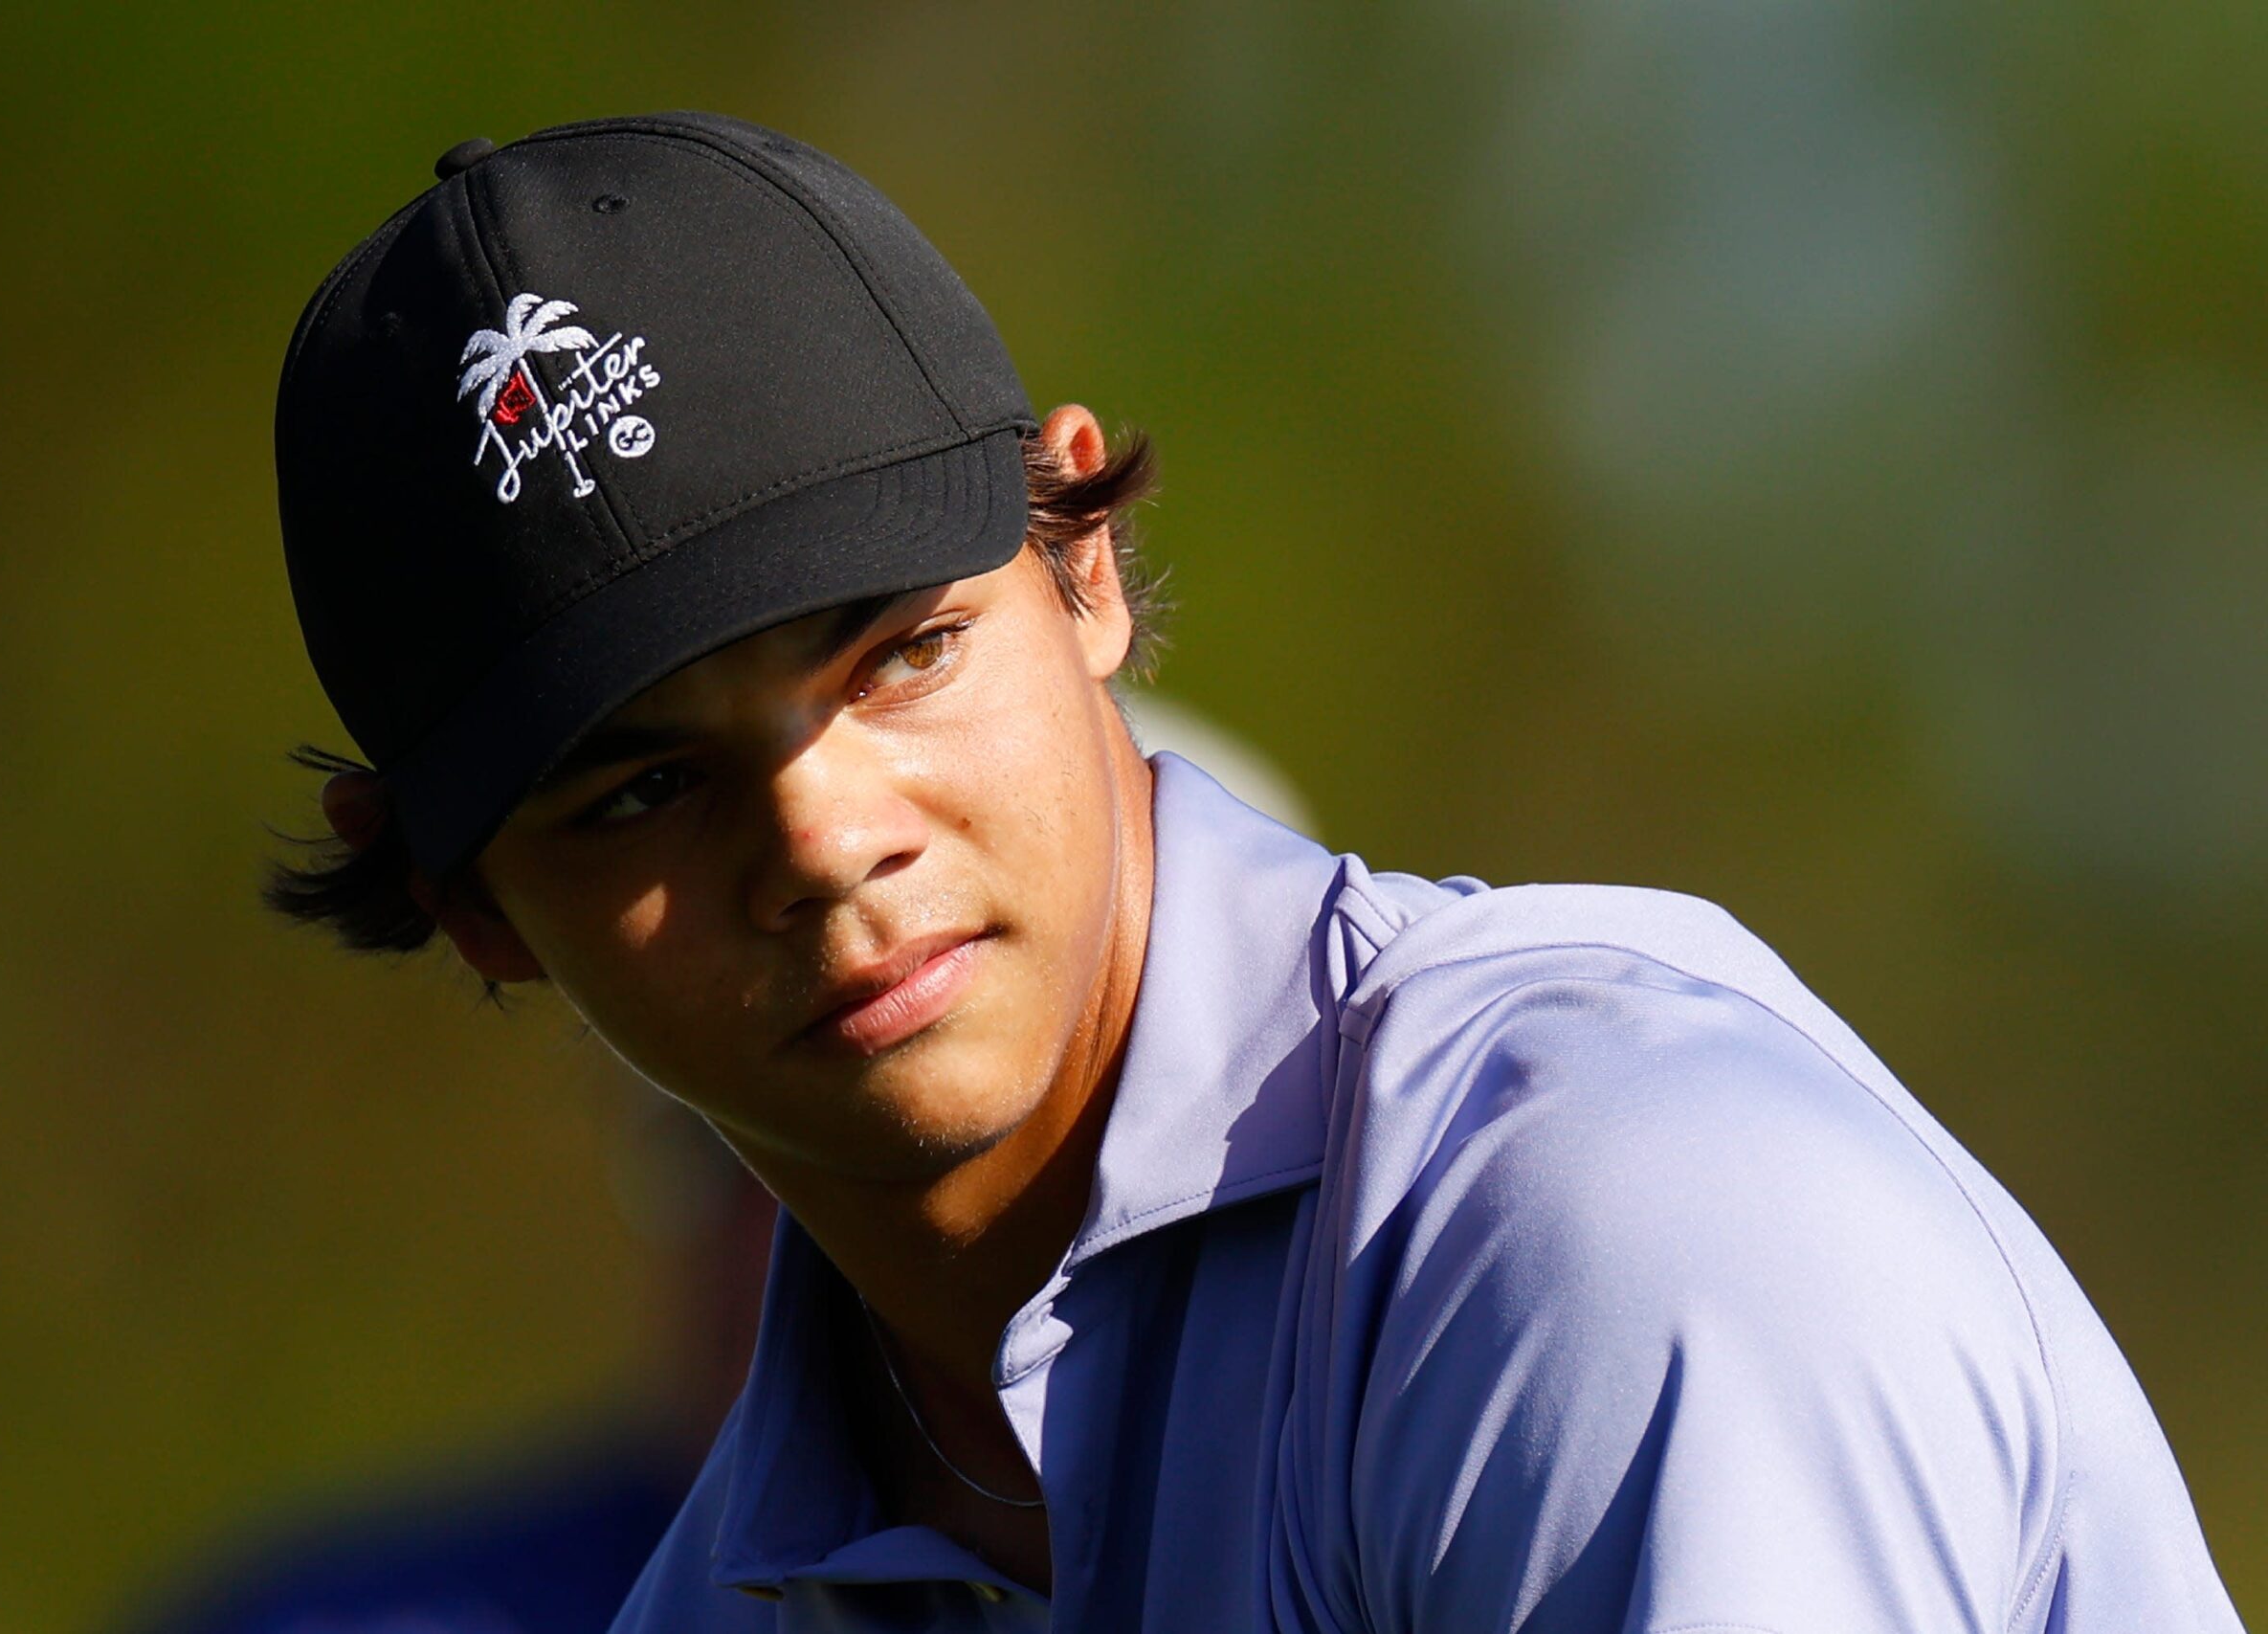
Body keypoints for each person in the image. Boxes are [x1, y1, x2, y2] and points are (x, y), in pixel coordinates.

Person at [265, 113, 2242, 1632]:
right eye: (636, 790)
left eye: (896, 653)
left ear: (1076, 555)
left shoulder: (1603, 1218)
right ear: (471, 909)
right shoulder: (723, 1590)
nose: (822, 840)